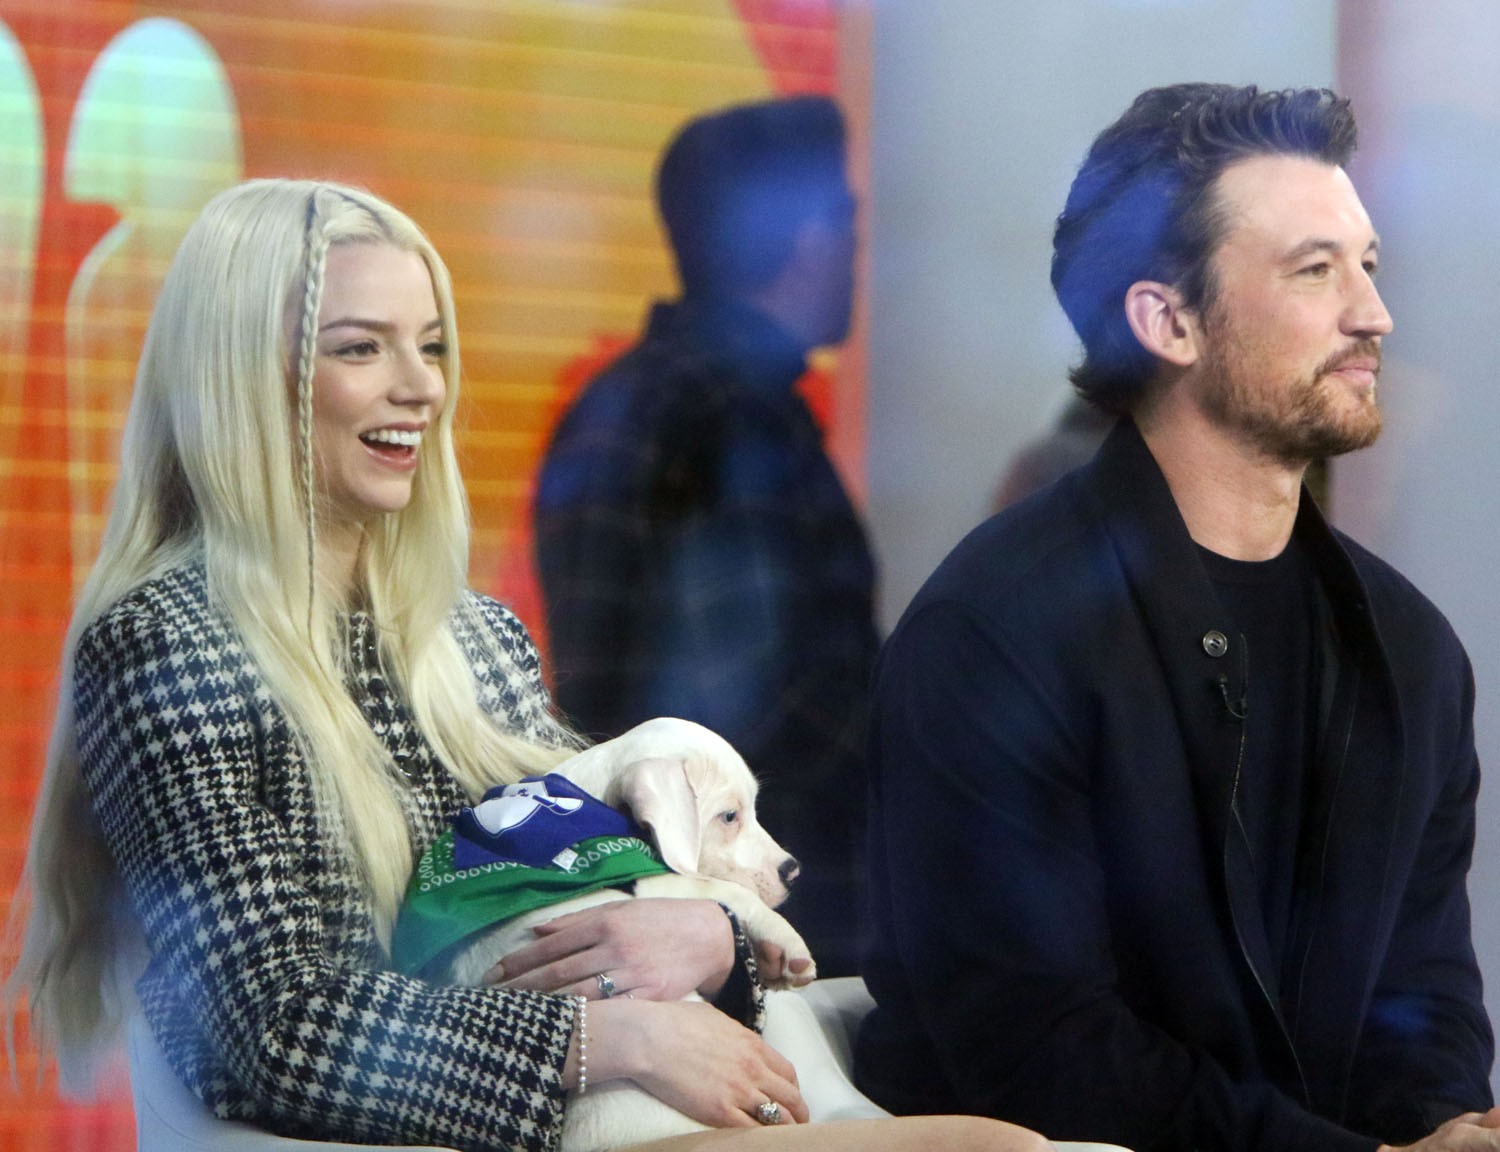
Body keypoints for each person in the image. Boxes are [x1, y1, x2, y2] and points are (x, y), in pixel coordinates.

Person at [3, 178, 1046, 1152]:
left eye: (432, 346)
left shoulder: (476, 636)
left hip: (620, 1107)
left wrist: (714, 937)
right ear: (240, 382)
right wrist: (606, 1042)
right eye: (362, 348)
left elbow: (606, 889)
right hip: (475, 1127)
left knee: (1014, 1138)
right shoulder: (165, 643)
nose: (422, 387)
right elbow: (268, 1027)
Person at [856, 84, 1498, 1152]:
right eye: (1316, 270)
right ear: (1169, 321)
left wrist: (1442, 1129)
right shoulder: (996, 632)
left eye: (1368, 264)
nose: (1373, 314)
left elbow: (1424, 987)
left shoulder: (1410, 650)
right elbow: (1036, 1047)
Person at [534, 96, 878, 978]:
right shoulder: (733, 415)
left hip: (655, 904)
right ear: (800, 235)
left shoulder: (626, 397)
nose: (858, 247)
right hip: (761, 913)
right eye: (844, 219)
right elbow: (747, 709)